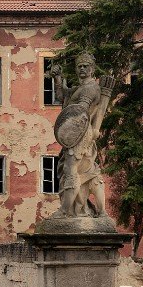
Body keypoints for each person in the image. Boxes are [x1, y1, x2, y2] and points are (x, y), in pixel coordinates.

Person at [51, 52, 113, 217]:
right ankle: (101, 212)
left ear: (92, 69)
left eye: (86, 66)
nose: (82, 69)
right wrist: (58, 78)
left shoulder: (90, 89)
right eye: (79, 66)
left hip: (79, 134)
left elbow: (80, 113)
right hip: (80, 133)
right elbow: (62, 96)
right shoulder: (80, 88)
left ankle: (65, 211)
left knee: (71, 170)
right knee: (90, 172)